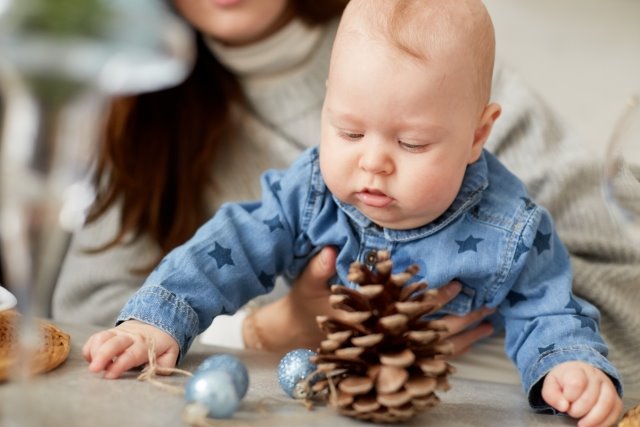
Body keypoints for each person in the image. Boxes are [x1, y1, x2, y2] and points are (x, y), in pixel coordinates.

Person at [53, 0, 640, 401]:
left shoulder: (509, 223)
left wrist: (568, 366)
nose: (373, 162)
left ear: (477, 136)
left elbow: (554, 309)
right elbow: (224, 247)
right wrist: (168, 323)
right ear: (327, 105)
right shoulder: (307, 190)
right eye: (349, 132)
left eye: (411, 142)